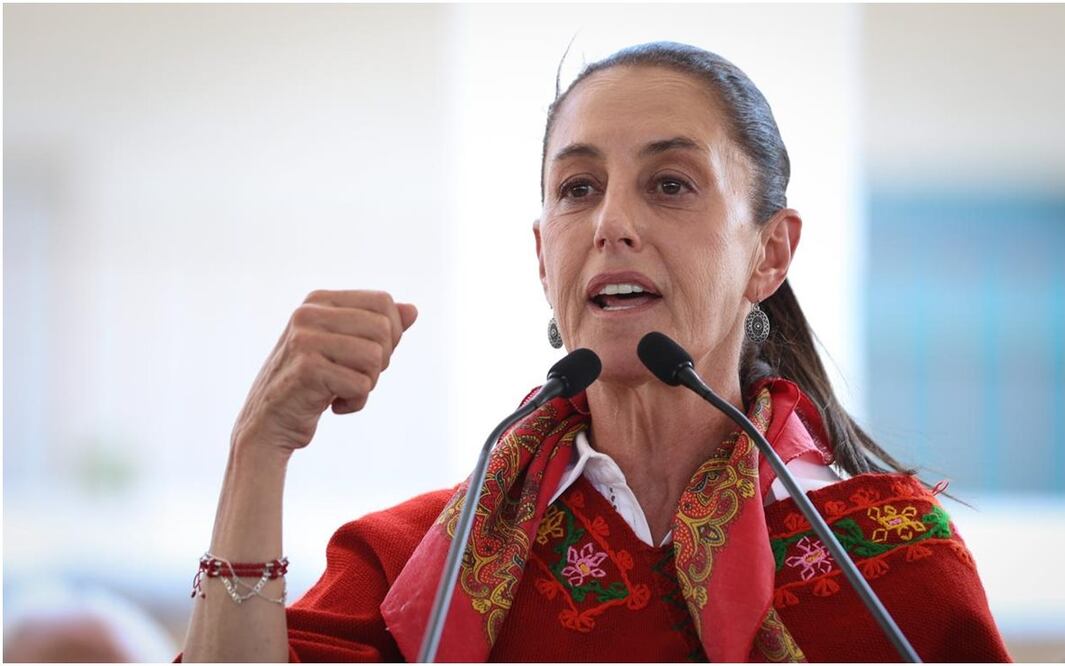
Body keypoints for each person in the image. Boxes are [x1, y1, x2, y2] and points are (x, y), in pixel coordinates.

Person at [180, 42, 1011, 662]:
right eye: (578, 189)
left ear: (770, 254)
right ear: (544, 256)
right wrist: (259, 447)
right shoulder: (412, 561)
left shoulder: (887, 555)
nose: (611, 222)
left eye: (670, 184)